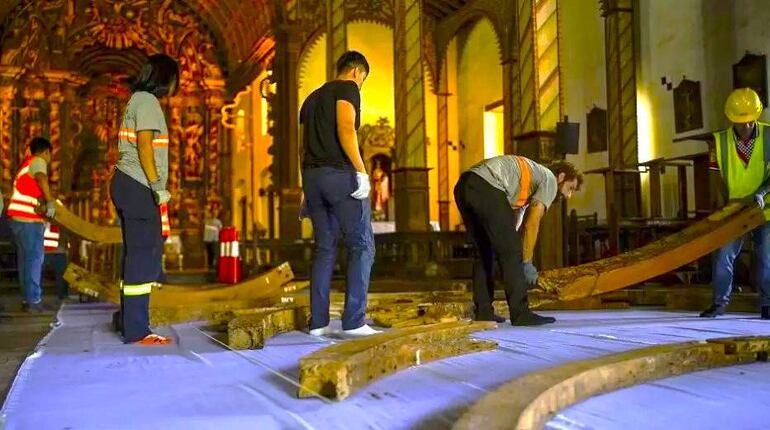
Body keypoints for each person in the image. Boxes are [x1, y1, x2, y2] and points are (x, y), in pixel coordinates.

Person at [300, 51, 379, 337]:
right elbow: (346, 127)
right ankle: (354, 322)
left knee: (324, 248)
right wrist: (361, 170)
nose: (361, 85)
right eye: (363, 81)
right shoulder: (348, 88)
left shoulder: (310, 99)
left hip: (312, 176)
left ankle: (318, 322)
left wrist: (305, 188)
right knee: (362, 245)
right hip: (340, 176)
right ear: (358, 72)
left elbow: (302, 147)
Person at [454, 156, 582, 326]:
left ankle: (484, 312)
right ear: (561, 177)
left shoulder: (526, 183)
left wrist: (508, 256)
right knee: (513, 251)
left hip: (464, 186)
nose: (568, 195)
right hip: (486, 186)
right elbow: (532, 223)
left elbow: (512, 225)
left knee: (485, 253)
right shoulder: (549, 179)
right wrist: (527, 262)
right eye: (570, 188)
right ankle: (521, 313)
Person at [110, 54, 178, 344]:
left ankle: (127, 320)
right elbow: (146, 147)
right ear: (166, 78)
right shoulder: (148, 102)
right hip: (139, 185)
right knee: (143, 255)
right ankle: (137, 329)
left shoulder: (136, 100)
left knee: (134, 254)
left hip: (127, 183)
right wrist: (156, 185)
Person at [701, 88, 770, 319]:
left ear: (756, 117)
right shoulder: (719, 142)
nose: (746, 127)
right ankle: (719, 304)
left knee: (766, 256)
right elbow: (715, 178)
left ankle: (768, 304)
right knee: (723, 254)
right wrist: (722, 208)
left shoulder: (769, 136)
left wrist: (762, 192)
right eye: (741, 123)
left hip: (765, 208)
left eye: (750, 122)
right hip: (734, 208)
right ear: (732, 120)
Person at [7, 137, 56, 312]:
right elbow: (42, 178)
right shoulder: (38, 161)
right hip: (28, 221)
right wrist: (50, 202)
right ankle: (34, 301)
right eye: (50, 155)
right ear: (45, 152)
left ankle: (29, 300)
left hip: (18, 221)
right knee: (34, 260)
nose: (49, 159)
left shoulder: (25, 165)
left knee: (26, 262)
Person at [43, 221, 70, 301]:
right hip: (46, 251)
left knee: (62, 274)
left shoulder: (62, 220)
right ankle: (36, 298)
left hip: (58, 251)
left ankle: (63, 295)